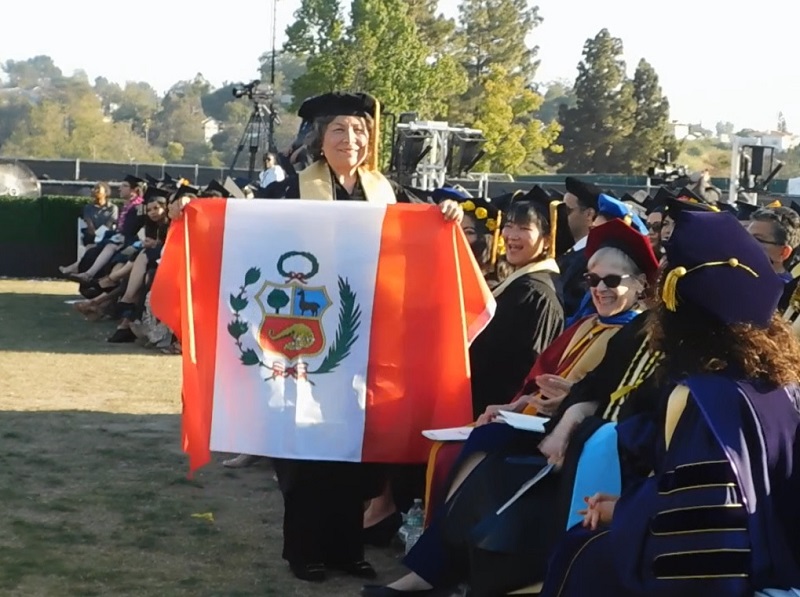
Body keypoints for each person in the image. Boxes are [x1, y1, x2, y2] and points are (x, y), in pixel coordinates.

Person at [363, 218, 659, 597]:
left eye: (612, 281)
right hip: (548, 422)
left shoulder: (636, 334)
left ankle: (436, 571)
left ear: (640, 285)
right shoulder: (589, 324)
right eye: (592, 279)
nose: (600, 289)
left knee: (484, 451)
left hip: (583, 444)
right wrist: (519, 403)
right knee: (476, 443)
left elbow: (608, 395)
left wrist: (565, 401)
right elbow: (551, 378)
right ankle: (437, 568)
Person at [539, 210, 800, 597]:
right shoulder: (782, 384)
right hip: (783, 559)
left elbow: (702, 532)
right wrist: (629, 504)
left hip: (730, 575)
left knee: (578, 552)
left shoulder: (703, 399)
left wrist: (621, 513)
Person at [260, 91, 463, 584]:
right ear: (319, 139)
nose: (350, 139)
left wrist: (449, 211)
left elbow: (427, 224)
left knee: (355, 444)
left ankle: (346, 547)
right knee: (307, 443)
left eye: (359, 131)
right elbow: (244, 226)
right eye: (339, 130)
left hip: (366, 336)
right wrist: (190, 209)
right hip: (310, 335)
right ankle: (304, 549)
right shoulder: (291, 191)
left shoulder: (386, 192)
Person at [558, 177, 603, 318]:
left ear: (589, 214)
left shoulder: (590, 258)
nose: (561, 216)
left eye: (567, 211)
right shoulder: (570, 252)